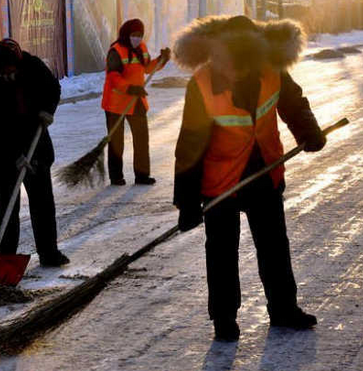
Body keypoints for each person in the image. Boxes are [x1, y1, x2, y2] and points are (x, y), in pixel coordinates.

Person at [173, 16, 326, 341]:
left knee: (274, 246)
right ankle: (224, 319)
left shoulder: (271, 70)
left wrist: (309, 132)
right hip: (220, 182)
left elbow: (293, 105)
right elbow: (189, 144)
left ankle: (284, 308)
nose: (240, 72)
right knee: (222, 253)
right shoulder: (202, 83)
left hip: (265, 173)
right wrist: (186, 202)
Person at [0, 39, 69, 267]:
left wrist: (47, 111)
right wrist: (13, 156)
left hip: (35, 145)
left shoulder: (34, 68)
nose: (7, 72)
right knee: (6, 205)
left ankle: (49, 253)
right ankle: (6, 258)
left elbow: (53, 89)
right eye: (3, 69)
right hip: (3, 152)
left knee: (42, 203)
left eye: (11, 68)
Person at [101, 18, 170, 186]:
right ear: (126, 34)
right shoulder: (115, 51)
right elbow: (113, 77)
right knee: (116, 142)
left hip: (137, 101)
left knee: (141, 139)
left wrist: (162, 59)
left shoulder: (142, 48)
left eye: (140, 35)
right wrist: (130, 88)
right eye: (134, 34)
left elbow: (147, 68)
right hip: (115, 103)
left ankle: (142, 175)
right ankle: (116, 176)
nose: (137, 38)